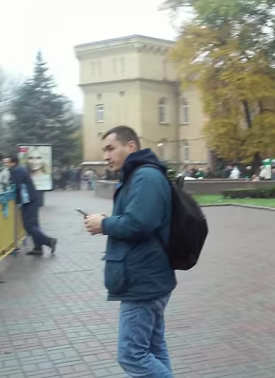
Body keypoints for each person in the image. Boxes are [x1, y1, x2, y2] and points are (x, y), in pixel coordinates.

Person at [83, 126, 176, 378]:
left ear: (131, 146)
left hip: (142, 280)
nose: (106, 156)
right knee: (153, 348)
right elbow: (139, 219)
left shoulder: (145, 176)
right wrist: (110, 221)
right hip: (147, 275)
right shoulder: (139, 175)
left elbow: (140, 224)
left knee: (132, 354)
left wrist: (104, 224)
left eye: (111, 149)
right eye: (104, 150)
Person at [3, 155, 57, 256]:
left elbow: (15, 186)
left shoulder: (17, 171)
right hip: (30, 200)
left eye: (7, 163)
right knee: (34, 225)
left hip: (29, 201)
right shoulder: (18, 169)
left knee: (29, 225)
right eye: (4, 162)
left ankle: (49, 241)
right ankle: (38, 248)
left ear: (13, 162)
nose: (5, 164)